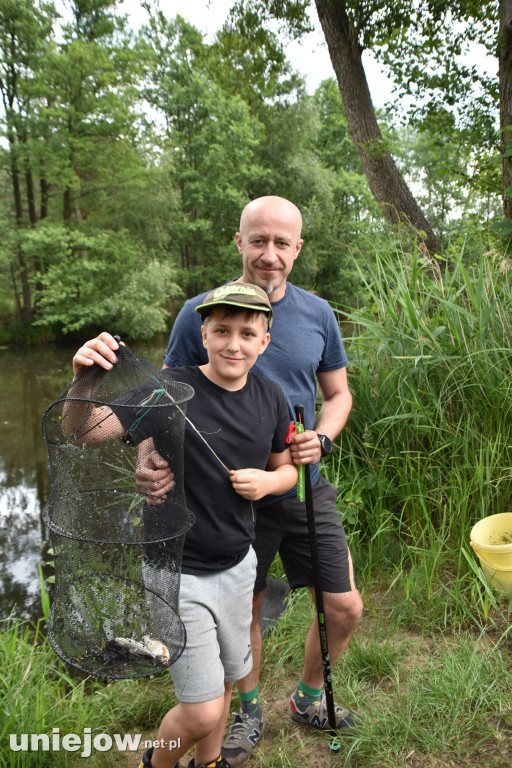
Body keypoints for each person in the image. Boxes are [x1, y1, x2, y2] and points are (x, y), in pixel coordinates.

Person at [138, 195, 364, 767]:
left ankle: (309, 700)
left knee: (343, 606)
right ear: (239, 242)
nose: (269, 254)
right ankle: (248, 711)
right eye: (257, 241)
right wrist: (147, 456)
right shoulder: (203, 312)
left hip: (299, 484)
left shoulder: (318, 313)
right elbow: (162, 404)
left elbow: (337, 394)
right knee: (249, 609)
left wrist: (324, 438)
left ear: (297, 249)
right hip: (223, 499)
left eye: (281, 243)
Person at [66, 283, 298, 768]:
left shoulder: (272, 396)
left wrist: (269, 482)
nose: (234, 343)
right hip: (178, 575)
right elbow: (84, 430)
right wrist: (83, 380)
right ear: (204, 334)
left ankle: (207, 762)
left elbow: (287, 469)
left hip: (239, 565)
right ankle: (159, 762)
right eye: (222, 330)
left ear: (264, 341)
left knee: (230, 680)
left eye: (246, 332)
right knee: (201, 710)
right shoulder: (168, 388)